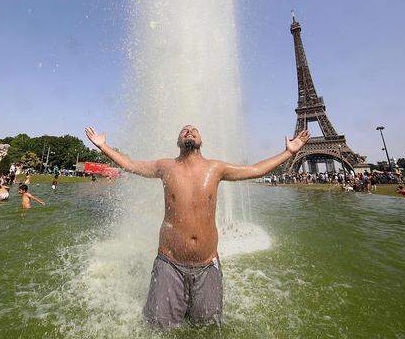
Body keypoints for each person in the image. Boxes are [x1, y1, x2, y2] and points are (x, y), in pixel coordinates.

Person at [85, 125, 310, 329]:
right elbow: (130, 164)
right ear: (178, 142)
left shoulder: (217, 168)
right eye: (184, 130)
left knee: (208, 326)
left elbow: (255, 170)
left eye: (194, 130)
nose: (189, 131)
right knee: (158, 326)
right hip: (169, 262)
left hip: (207, 264)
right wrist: (103, 146)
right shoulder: (165, 166)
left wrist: (289, 152)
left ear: (201, 140)